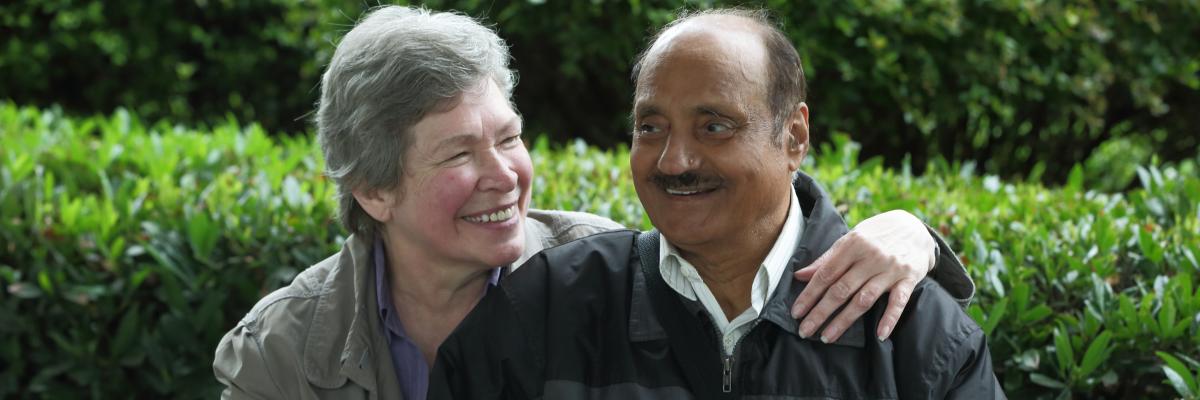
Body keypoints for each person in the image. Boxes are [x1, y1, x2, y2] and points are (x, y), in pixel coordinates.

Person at [214, 6, 977, 399]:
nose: (503, 175)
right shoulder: (283, 352)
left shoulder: (596, 270)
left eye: (508, 138)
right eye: (457, 153)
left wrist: (914, 237)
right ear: (373, 189)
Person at [430, 8, 1003, 399]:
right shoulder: (546, 307)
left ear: (794, 137)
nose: (674, 161)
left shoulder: (911, 331)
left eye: (714, 126)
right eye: (650, 127)